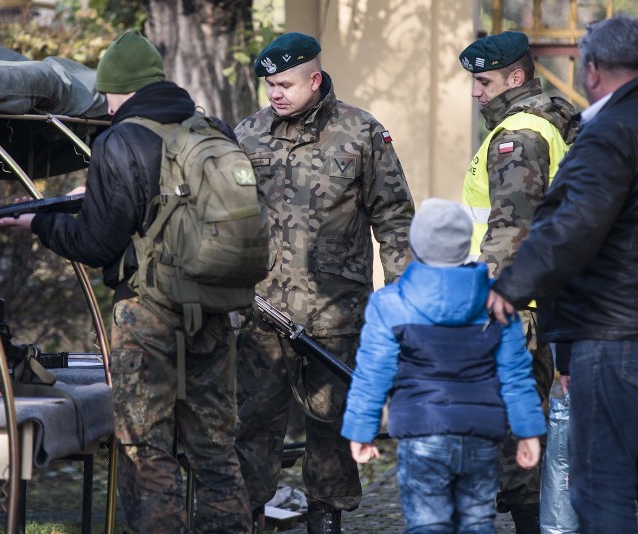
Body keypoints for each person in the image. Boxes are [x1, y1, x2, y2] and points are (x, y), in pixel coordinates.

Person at [0, 30, 251, 533]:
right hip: (215, 304)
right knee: (216, 448)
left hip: (148, 314)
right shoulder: (214, 129)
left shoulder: (120, 139)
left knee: (145, 448)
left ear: (117, 90)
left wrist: (41, 224)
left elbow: (96, 244)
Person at [487, 13, 638, 533]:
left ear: (592, 69)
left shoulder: (608, 133)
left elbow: (571, 226)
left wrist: (510, 287)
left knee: (602, 484)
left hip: (615, 333)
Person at [234, 31, 415, 533]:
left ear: (315, 80)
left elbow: (395, 216)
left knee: (331, 426)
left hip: (335, 311)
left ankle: (326, 519)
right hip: (260, 312)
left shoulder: (360, 133)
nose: (275, 93)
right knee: (251, 424)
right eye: (269, 84)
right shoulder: (246, 135)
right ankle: (246, 517)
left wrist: (400, 294)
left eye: (286, 84)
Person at [341, 197, 546, 533]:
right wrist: (528, 433)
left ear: (416, 246)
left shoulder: (390, 302)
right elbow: (516, 375)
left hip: (421, 431)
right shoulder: (496, 300)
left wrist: (361, 433)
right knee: (477, 522)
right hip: (480, 433)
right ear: (465, 244)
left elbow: (372, 374)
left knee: (428, 523)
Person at [458, 30, 578, 533]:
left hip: (515, 306)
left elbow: (511, 229)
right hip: (534, 302)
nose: (475, 91)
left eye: (483, 80)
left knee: (514, 435)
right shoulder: (542, 122)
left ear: (516, 76)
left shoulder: (519, 135)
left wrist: (488, 302)